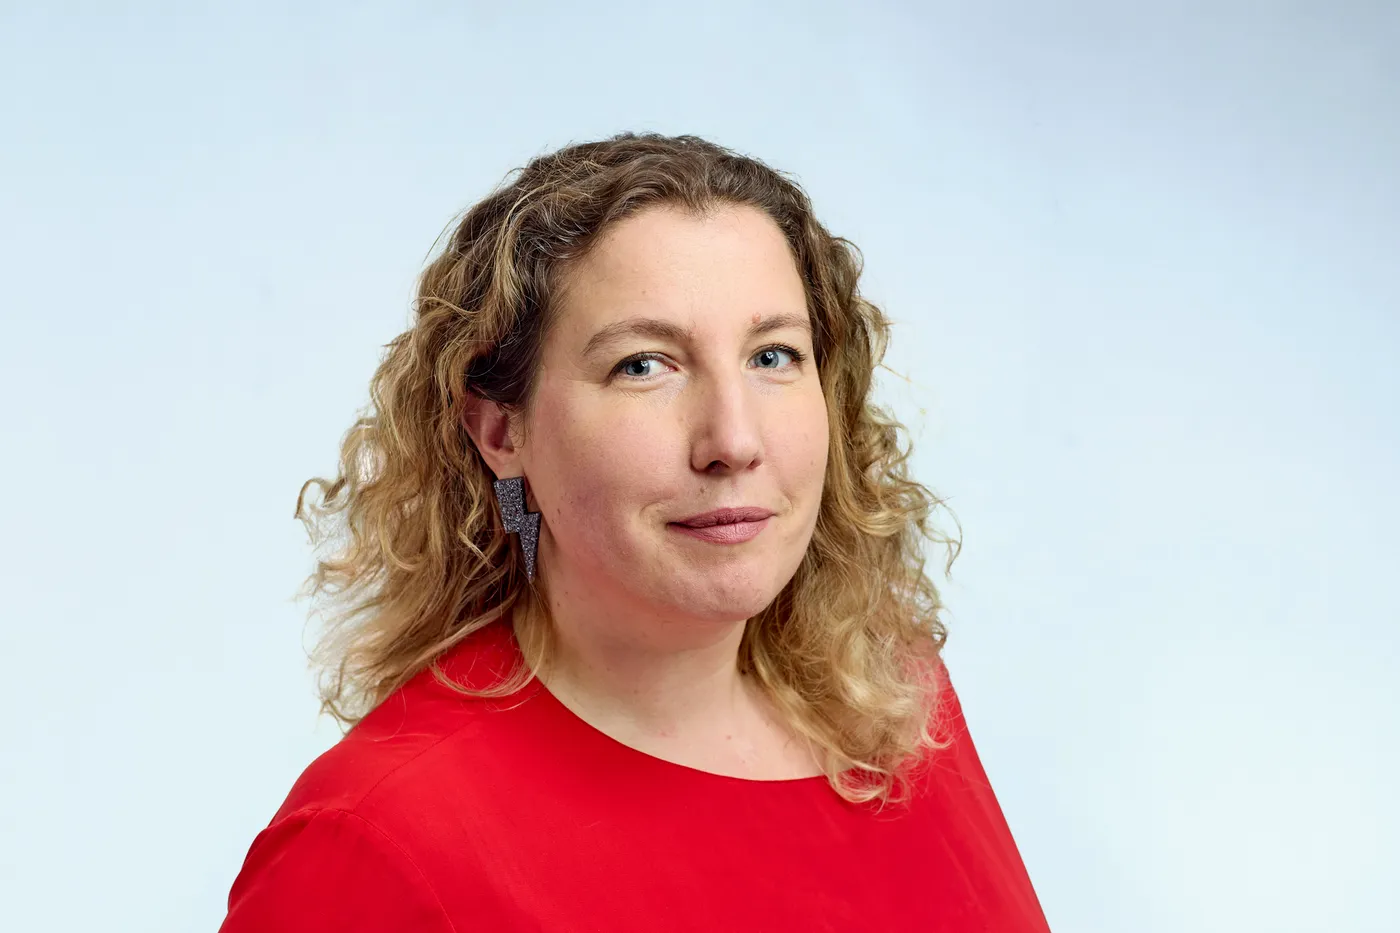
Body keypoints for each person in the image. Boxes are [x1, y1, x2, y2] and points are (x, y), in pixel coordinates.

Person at [218, 131, 1051, 931]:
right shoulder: (374, 841)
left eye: (772, 355)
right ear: (501, 432)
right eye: (643, 365)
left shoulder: (896, 702)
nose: (733, 440)